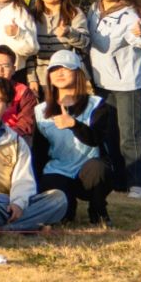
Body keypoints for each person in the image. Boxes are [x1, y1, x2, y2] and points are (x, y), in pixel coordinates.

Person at [0, 78, 70, 234]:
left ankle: (1, 226)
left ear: (8, 105)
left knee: (58, 199)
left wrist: (18, 203)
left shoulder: (16, 141)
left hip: (7, 202)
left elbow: (23, 179)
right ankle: (20, 225)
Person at [32, 51, 119, 226]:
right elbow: (39, 151)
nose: (59, 73)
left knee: (98, 168)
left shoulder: (97, 104)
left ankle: (98, 209)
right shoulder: (40, 110)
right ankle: (68, 207)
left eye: (66, 68)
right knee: (64, 218)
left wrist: (74, 125)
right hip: (58, 169)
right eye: (54, 69)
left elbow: (96, 139)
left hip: (88, 170)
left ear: (78, 73)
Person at [86, 0, 141, 199]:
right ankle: (119, 179)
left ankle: (136, 182)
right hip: (102, 82)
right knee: (110, 133)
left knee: (131, 134)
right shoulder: (94, 9)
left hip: (127, 83)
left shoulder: (131, 13)